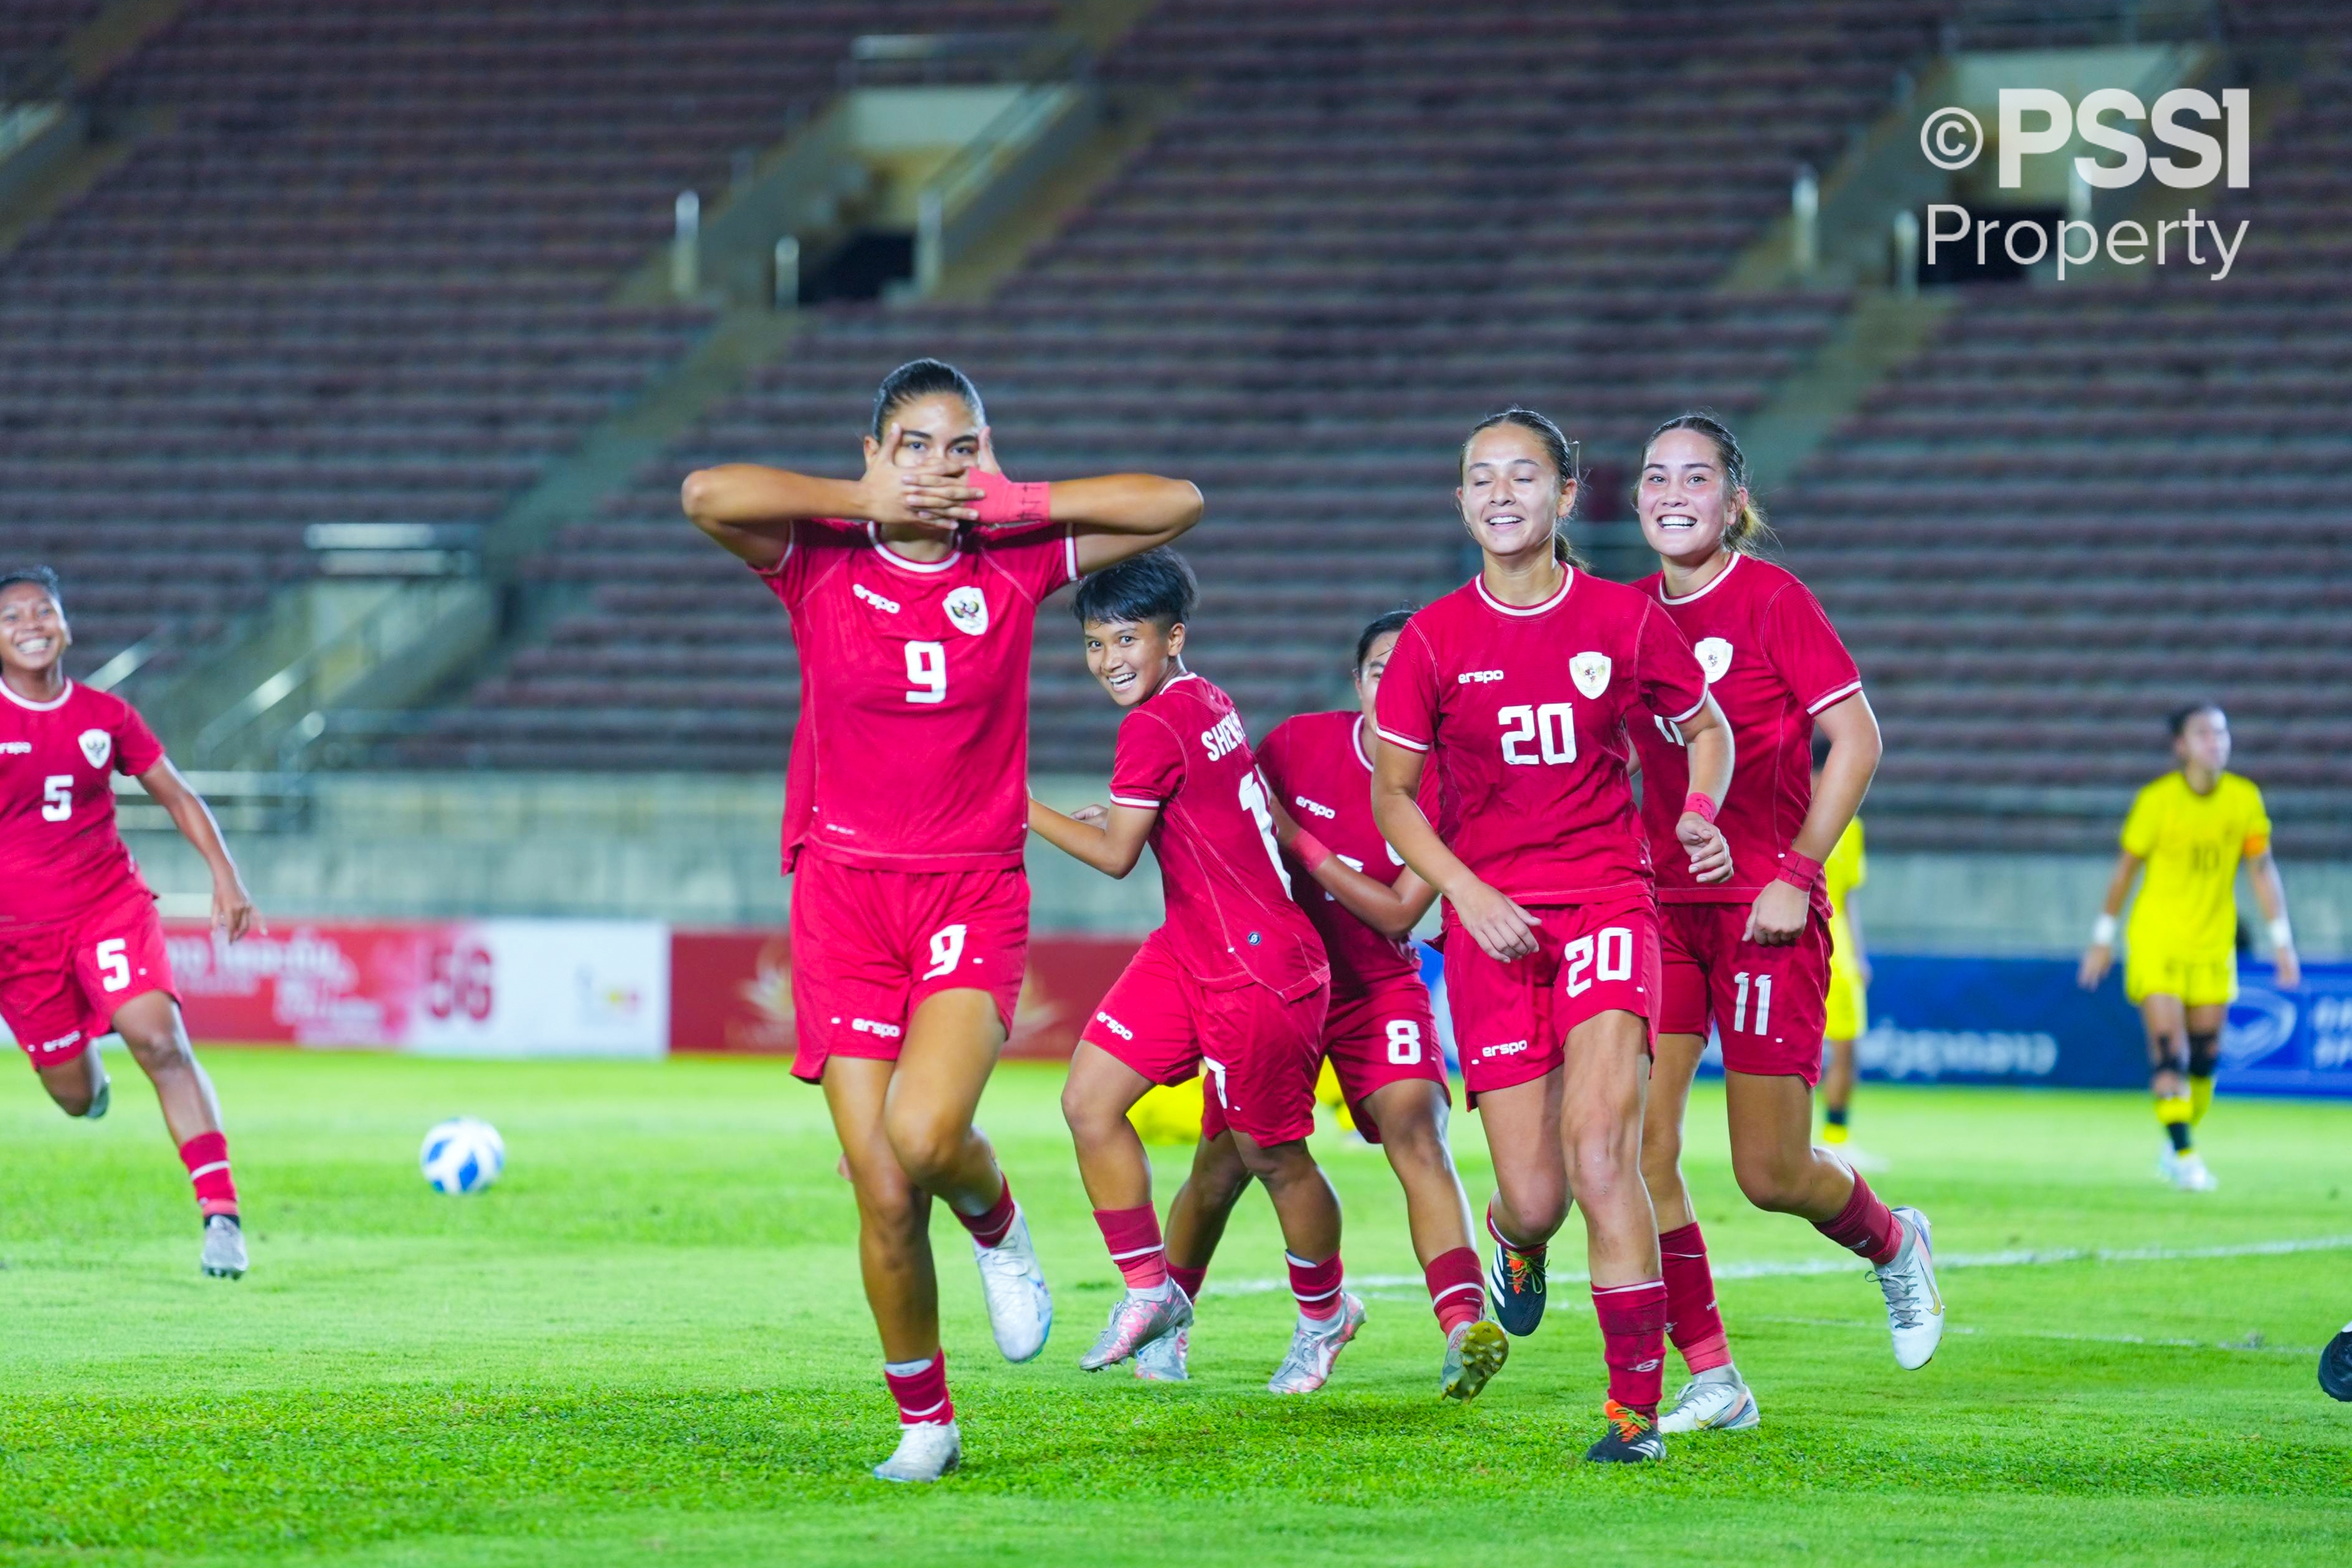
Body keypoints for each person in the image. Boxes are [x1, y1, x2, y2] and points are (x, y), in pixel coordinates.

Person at [681, 358, 1202, 1483]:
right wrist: (853, 499)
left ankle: (997, 1218)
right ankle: (928, 1419)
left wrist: (1018, 501)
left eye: (960, 445)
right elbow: (705, 492)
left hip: (969, 885)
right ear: (874, 455)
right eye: (913, 444)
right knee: (877, 1187)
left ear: (986, 459)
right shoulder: (818, 559)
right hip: (842, 894)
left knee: (923, 1140)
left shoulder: (1009, 563)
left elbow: (1177, 504)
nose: (937, 466)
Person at [1370, 407, 1735, 1462]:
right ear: (1460, 502)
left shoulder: (1623, 618)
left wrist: (1698, 813)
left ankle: (1632, 1415)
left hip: (1609, 905)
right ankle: (1513, 1240)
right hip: (1492, 925)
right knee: (1534, 1195)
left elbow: (1705, 727)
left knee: (1601, 1151)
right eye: (1480, 477)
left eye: (1522, 475)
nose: (1500, 494)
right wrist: (1463, 892)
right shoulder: (1433, 638)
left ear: (1566, 496)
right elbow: (1396, 795)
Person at [1626, 413, 1944, 1440]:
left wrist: (1796, 874)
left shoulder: (1772, 599)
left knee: (1769, 1174)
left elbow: (1856, 737)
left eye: (1696, 477)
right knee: (1638, 1147)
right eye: (1654, 475)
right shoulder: (1622, 617)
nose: (1672, 492)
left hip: (1764, 915)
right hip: (1659, 913)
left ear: (1732, 501)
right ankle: (1712, 1373)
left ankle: (1892, 1240)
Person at [1145, 608, 1509, 1402]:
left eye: (1413, 669)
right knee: (1223, 1166)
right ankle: (1164, 1324)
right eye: (1380, 667)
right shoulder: (1296, 744)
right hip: (1272, 987)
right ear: (1357, 681)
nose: (1395, 681)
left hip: (1375, 986)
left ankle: (1462, 1328)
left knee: (1418, 1131)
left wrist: (1300, 841)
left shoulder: (1453, 781)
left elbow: (1396, 911)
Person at [1028, 549, 1362, 1396]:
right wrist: (1146, 812)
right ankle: (1151, 1291)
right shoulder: (1203, 695)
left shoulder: (1151, 724)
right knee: (1087, 1100)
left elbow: (1112, 857)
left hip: (1260, 969)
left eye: (1126, 640)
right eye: (1095, 643)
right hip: (1193, 947)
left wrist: (1016, 803)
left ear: (1172, 637)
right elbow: (1206, 799)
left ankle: (1327, 1315)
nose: (1108, 661)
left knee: (1272, 1157)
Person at [0, 566, 260, 1280]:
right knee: (75, 1096)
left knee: (160, 1040)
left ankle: (222, 1217)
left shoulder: (105, 717)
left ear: (66, 624)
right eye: (12, 616)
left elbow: (176, 795)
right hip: (16, 942)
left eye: (42, 611)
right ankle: (90, 1083)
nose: (30, 624)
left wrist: (225, 874)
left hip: (105, 907)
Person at [2078, 703, 2298, 1192]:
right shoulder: (2157, 801)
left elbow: (2262, 870)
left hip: (2213, 944)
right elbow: (2125, 870)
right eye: (2204, 734)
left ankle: (2176, 1139)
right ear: (2182, 746)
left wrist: (2283, 941)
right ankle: (2185, 1154)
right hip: (2157, 940)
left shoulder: (2244, 799)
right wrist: (2102, 938)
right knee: (2170, 1051)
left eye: (2221, 733)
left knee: (2205, 1058)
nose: (2216, 742)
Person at [1815, 733, 1876, 1166]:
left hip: (1842, 953)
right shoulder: (1790, 815)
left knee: (1847, 1047)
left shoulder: (1850, 826)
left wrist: (1861, 950)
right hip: (1799, 945)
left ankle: (1837, 1137)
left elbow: (1850, 895)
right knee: (1794, 1051)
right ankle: (1793, 1142)